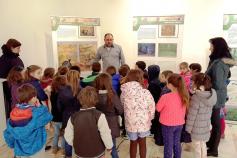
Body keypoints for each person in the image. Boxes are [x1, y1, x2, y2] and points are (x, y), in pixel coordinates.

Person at [206, 37, 236, 157]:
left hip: (216, 96)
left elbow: (218, 83)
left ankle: (214, 150)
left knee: (216, 123)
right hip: (218, 95)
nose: (210, 48)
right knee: (215, 122)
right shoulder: (220, 61)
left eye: (211, 46)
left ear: (216, 47)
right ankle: (211, 143)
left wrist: (206, 83)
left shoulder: (218, 63)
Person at [4, 83, 52, 158]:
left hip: (21, 149)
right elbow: (48, 117)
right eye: (35, 96)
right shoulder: (36, 112)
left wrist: (12, 145)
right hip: (36, 148)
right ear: (33, 98)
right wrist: (40, 107)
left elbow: (8, 133)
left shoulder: (14, 112)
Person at [64, 86, 113, 158]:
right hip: (97, 152)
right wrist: (109, 146)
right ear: (96, 99)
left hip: (80, 153)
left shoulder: (73, 117)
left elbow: (68, 136)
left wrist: (76, 144)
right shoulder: (99, 115)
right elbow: (105, 133)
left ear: (80, 99)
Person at [120, 69, 155, 158]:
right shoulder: (145, 91)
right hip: (143, 122)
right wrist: (150, 119)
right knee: (143, 142)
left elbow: (122, 104)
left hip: (131, 122)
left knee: (133, 142)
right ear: (140, 78)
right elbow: (151, 107)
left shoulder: (124, 91)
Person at [156, 73, 189, 158]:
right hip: (180, 124)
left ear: (170, 85)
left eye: (167, 83)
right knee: (177, 143)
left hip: (167, 125)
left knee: (168, 145)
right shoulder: (184, 96)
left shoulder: (165, 97)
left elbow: (158, 108)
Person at [186, 73, 217, 158]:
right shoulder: (211, 95)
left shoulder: (196, 98)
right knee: (202, 144)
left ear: (198, 83)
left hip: (196, 127)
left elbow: (192, 116)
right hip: (206, 125)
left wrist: (188, 128)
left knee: (197, 147)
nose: (192, 84)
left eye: (193, 82)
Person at [95, 73, 123, 158]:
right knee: (112, 147)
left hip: (97, 123)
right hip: (111, 124)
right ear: (109, 82)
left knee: (99, 148)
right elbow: (120, 110)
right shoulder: (112, 94)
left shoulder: (94, 94)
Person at [50, 76, 66, 155]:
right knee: (63, 134)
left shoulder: (52, 93)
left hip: (54, 117)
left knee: (56, 134)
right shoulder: (63, 94)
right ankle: (63, 149)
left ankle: (54, 149)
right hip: (62, 117)